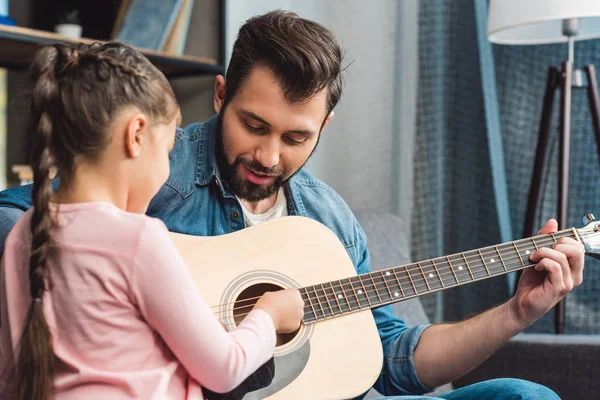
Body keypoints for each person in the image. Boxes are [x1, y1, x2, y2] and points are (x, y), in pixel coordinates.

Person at [0, 10, 584, 400]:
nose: (269, 156)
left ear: (324, 125)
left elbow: (393, 360)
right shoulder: (153, 164)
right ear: (222, 94)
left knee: (524, 396)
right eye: (254, 125)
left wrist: (516, 313)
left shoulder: (327, 221)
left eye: (296, 137)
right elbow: (19, 217)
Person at [0, 42, 304, 400]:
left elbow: (9, 378)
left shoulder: (24, 231)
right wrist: (268, 315)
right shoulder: (137, 239)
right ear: (136, 135)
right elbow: (224, 369)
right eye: (168, 150)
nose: (167, 168)